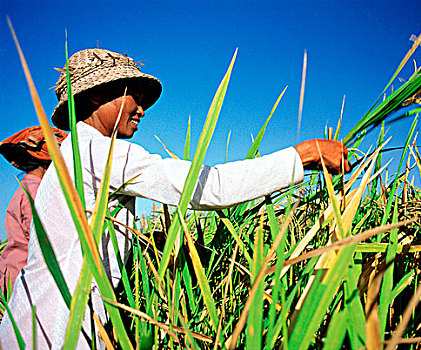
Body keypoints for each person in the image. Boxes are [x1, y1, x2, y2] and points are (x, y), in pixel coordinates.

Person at [0, 48, 351, 348]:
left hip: (29, 322)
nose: (142, 109)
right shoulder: (93, 153)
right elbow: (208, 186)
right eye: (133, 95)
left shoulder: (70, 158)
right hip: (56, 330)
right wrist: (301, 155)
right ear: (94, 96)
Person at [0, 126, 67, 296]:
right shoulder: (37, 191)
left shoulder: (25, 187)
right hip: (25, 280)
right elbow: (42, 239)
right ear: (47, 163)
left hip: (11, 272)